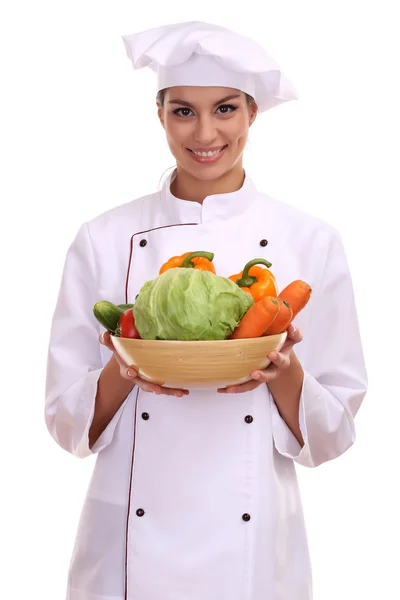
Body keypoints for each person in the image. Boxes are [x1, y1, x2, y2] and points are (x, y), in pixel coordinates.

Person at [44, 21, 368, 600]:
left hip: (254, 546)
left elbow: (334, 436)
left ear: (251, 114)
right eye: (183, 111)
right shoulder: (104, 238)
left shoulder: (310, 240)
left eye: (224, 109)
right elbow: (64, 425)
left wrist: (286, 371)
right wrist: (123, 371)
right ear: (160, 115)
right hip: (125, 550)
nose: (206, 133)